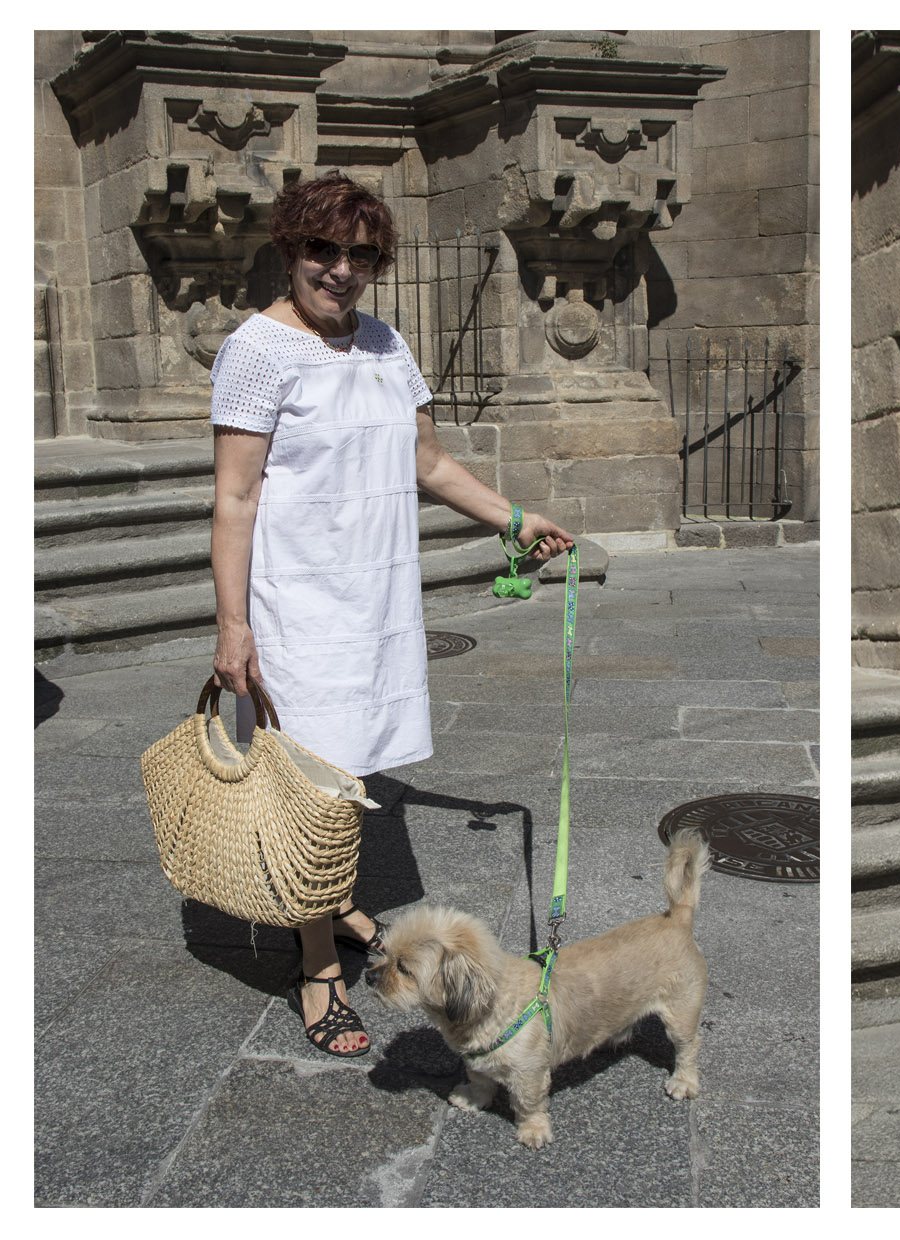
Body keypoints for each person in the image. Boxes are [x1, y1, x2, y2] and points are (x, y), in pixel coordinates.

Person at [208, 172, 574, 1057]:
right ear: (289, 249)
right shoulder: (256, 350)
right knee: (318, 794)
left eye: (360, 256)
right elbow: (233, 498)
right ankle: (318, 967)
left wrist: (514, 518)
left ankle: (335, 907)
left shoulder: (384, 343)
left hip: (374, 596)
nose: (340, 271)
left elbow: (429, 462)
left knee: (353, 777)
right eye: (322, 251)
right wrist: (232, 625)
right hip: (296, 604)